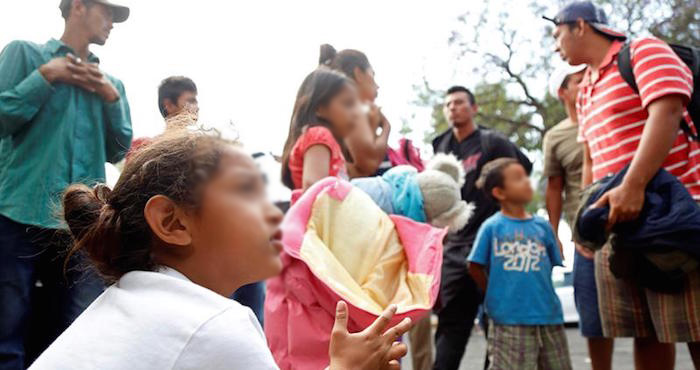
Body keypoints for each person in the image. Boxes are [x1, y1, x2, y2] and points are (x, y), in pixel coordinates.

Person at [28, 131, 413, 370]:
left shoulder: (125, 304)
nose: (273, 212)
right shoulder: (214, 326)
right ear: (173, 222)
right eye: (246, 192)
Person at [547, 1, 700, 368]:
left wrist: (633, 185)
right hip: (619, 225)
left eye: (557, 35)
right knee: (643, 332)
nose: (555, 46)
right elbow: (591, 159)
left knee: (695, 329)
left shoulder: (643, 51)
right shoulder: (584, 89)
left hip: (674, 218)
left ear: (579, 25)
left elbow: (668, 109)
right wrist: (588, 220)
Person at [0, 0, 132, 368]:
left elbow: (118, 148)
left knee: (81, 331)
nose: (111, 23)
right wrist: (44, 76)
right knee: (6, 331)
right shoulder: (24, 54)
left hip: (79, 227)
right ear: (78, 7)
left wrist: (111, 99)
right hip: (16, 214)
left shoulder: (111, 85)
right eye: (107, 12)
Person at [431, 86, 532, 370]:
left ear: (473, 108)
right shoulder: (440, 146)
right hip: (454, 247)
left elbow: (522, 168)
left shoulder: (492, 142)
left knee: (497, 321)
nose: (453, 107)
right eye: (448, 103)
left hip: (491, 244)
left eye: (460, 102)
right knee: (451, 325)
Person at [468, 158, 571, 370]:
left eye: (525, 176)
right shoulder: (492, 227)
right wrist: (494, 292)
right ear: (499, 193)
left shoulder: (543, 227)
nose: (526, 182)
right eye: (518, 178)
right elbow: (474, 266)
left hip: (548, 316)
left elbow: (549, 266)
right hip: (508, 319)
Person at [544, 63, 614, 370]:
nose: (586, 82)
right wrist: (554, 234)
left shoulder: (608, 117)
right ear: (563, 92)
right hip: (586, 239)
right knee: (593, 319)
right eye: (576, 80)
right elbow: (554, 186)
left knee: (649, 320)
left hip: (630, 225)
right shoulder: (556, 137)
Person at [280, 67, 359, 194]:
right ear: (319, 108)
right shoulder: (319, 135)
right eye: (348, 104)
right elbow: (314, 187)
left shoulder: (326, 141)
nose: (356, 113)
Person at [320, 44, 392, 177]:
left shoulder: (340, 113)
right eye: (372, 75)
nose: (377, 85)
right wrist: (387, 127)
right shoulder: (353, 112)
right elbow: (369, 164)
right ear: (359, 74)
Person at [126, 76, 198, 161]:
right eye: (190, 101)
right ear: (169, 105)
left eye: (196, 102)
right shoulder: (143, 149)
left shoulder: (202, 147)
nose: (197, 107)